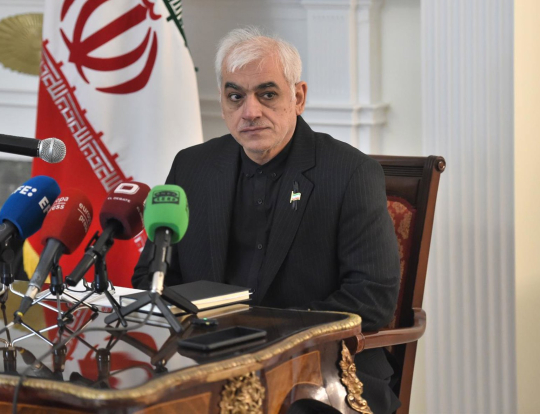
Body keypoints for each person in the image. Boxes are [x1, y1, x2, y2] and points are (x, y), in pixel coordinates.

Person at [132, 27, 401, 414]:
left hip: (316, 369)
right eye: (236, 96)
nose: (251, 111)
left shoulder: (349, 173)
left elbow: (371, 298)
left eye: (267, 94)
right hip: (206, 360)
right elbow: (151, 278)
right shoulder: (193, 167)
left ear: (298, 97)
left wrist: (269, 339)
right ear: (223, 102)